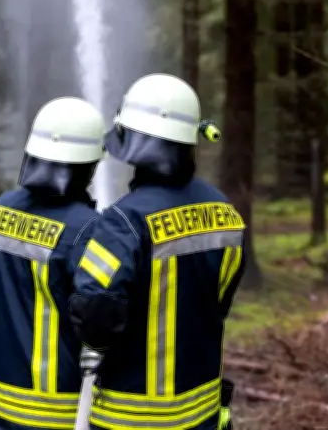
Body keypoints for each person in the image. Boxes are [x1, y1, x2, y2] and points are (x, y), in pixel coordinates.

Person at [69, 74, 245, 430]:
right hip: (203, 412)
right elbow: (219, 301)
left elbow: (96, 311)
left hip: (132, 417)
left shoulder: (123, 221)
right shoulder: (225, 212)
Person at [0, 97, 105, 430]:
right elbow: (98, 315)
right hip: (59, 406)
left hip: (5, 397)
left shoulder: (1, 210)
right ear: (88, 163)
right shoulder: (85, 229)